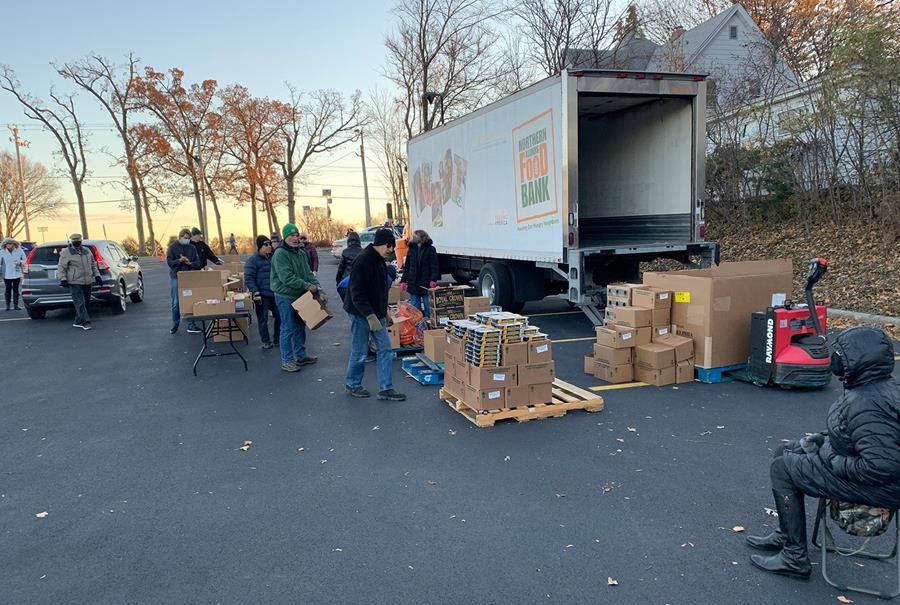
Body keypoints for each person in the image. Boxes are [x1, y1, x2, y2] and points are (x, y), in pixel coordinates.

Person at [746, 327, 900, 579]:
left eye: (840, 354)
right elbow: (861, 435)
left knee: (781, 469)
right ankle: (787, 533)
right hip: (866, 471)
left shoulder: (868, 403)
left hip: (881, 486)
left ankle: (794, 557)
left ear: (857, 361)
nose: (834, 358)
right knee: (784, 450)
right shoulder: (873, 387)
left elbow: (881, 466)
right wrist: (824, 439)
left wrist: (830, 456)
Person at [344, 228, 406, 401]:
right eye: (389, 246)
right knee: (360, 350)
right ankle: (353, 384)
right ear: (379, 243)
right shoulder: (362, 261)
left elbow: (380, 291)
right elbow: (357, 293)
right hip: (360, 313)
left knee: (385, 349)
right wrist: (370, 316)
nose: (391, 250)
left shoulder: (380, 261)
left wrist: (383, 312)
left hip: (376, 312)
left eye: (392, 246)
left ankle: (386, 389)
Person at [270, 223, 320, 373]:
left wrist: (317, 286)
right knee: (288, 328)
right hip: (285, 295)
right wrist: (307, 286)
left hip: (300, 294)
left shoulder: (301, 253)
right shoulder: (280, 254)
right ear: (285, 237)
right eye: (291, 235)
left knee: (300, 326)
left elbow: (308, 273)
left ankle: (301, 355)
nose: (294, 238)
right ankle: (287, 361)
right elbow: (287, 278)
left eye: (296, 235)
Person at [57, 233, 101, 331]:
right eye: (75, 240)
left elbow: (93, 264)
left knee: (86, 302)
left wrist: (97, 275)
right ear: (72, 241)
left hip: (87, 280)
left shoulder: (87, 251)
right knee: (79, 302)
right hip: (74, 281)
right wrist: (63, 278)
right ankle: (85, 322)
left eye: (79, 240)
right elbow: (61, 267)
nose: (77, 242)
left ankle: (78, 321)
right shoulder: (66, 252)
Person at [244, 235, 280, 349]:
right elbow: (249, 277)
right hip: (262, 295)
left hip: (274, 293)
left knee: (280, 316)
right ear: (260, 246)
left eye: (270, 244)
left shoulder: (273, 258)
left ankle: (277, 339)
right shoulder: (253, 260)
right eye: (266, 244)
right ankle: (266, 341)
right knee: (263, 319)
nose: (269, 246)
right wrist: (255, 291)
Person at [166, 228, 201, 334]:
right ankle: (175, 324)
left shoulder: (192, 248)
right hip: (176, 277)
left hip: (189, 277)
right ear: (180, 237)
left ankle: (191, 325)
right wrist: (179, 261)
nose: (187, 240)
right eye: (185, 238)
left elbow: (198, 262)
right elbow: (169, 262)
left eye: (188, 238)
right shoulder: (172, 248)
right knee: (176, 302)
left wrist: (190, 263)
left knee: (191, 300)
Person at [399, 229, 439, 318]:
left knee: (428, 308)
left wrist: (433, 279)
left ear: (422, 237)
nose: (413, 238)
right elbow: (407, 267)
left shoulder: (430, 249)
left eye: (415, 236)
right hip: (413, 283)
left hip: (426, 283)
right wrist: (403, 281)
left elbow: (434, 266)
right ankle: (418, 328)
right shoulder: (411, 249)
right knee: (414, 310)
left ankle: (429, 327)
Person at [1, 237, 27, 311]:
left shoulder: (19, 251)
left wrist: (20, 263)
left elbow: (25, 260)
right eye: (7, 244)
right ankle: (7, 305)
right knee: (8, 289)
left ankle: (16, 305)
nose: (9, 245)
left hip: (17, 273)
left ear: (13, 244)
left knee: (16, 289)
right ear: (5, 245)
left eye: (10, 244)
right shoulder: (2, 252)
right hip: (6, 274)